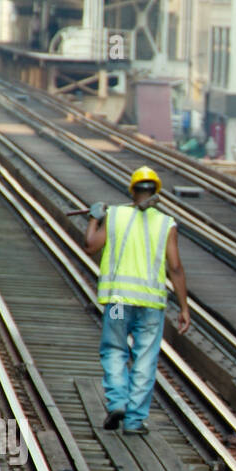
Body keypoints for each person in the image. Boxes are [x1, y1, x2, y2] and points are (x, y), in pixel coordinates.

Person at [84, 165, 190, 434]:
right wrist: (184, 307)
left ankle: (118, 401)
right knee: (145, 359)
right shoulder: (167, 224)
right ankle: (133, 421)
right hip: (150, 308)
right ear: (156, 192)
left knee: (115, 349)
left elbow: (91, 246)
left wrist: (94, 218)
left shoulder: (116, 216)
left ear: (132, 191)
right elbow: (175, 267)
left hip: (119, 303)